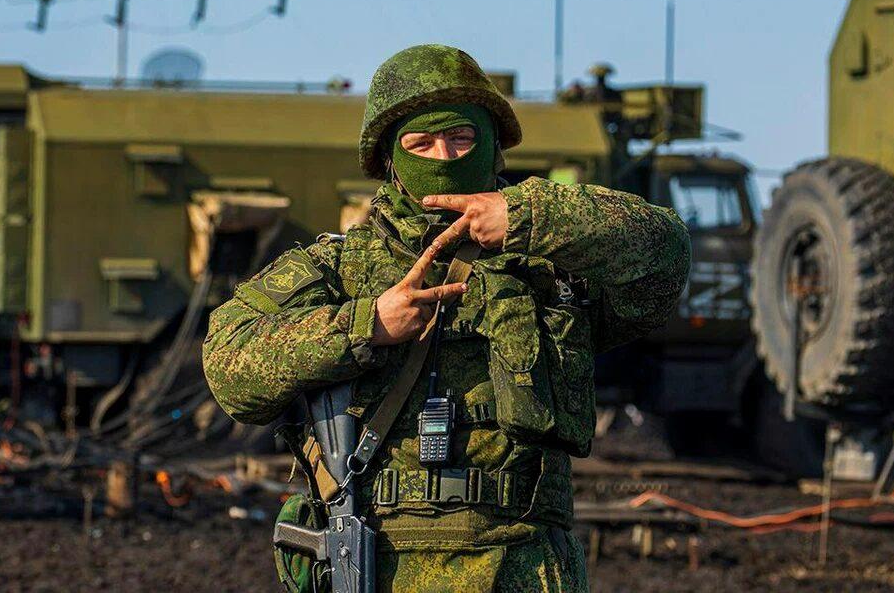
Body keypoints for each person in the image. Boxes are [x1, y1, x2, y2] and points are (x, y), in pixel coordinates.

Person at [203, 44, 691, 592]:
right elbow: (228, 366)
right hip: (375, 561)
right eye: (421, 142)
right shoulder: (337, 268)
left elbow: (664, 255)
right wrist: (366, 325)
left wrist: (529, 215)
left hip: (521, 564)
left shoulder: (549, 266)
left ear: (493, 149)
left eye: (463, 138)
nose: (445, 155)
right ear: (390, 157)